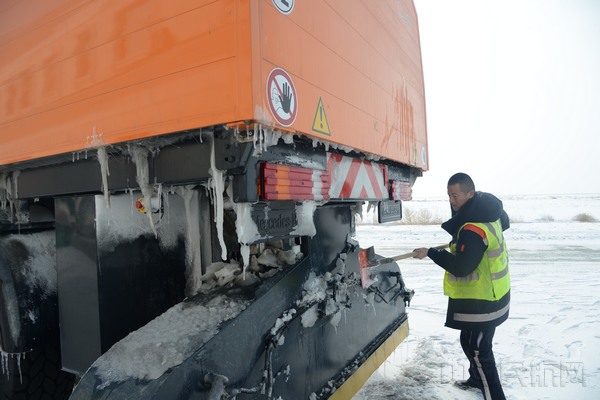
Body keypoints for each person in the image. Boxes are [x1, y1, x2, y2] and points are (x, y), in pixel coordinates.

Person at [413, 173, 510, 400]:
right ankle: (477, 380)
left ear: (470, 194)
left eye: (455, 195)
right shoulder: (488, 213)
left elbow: (461, 267)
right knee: (468, 340)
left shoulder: (473, 228)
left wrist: (432, 253)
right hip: (491, 294)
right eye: (449, 196)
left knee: (479, 350)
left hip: (485, 300)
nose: (452, 201)